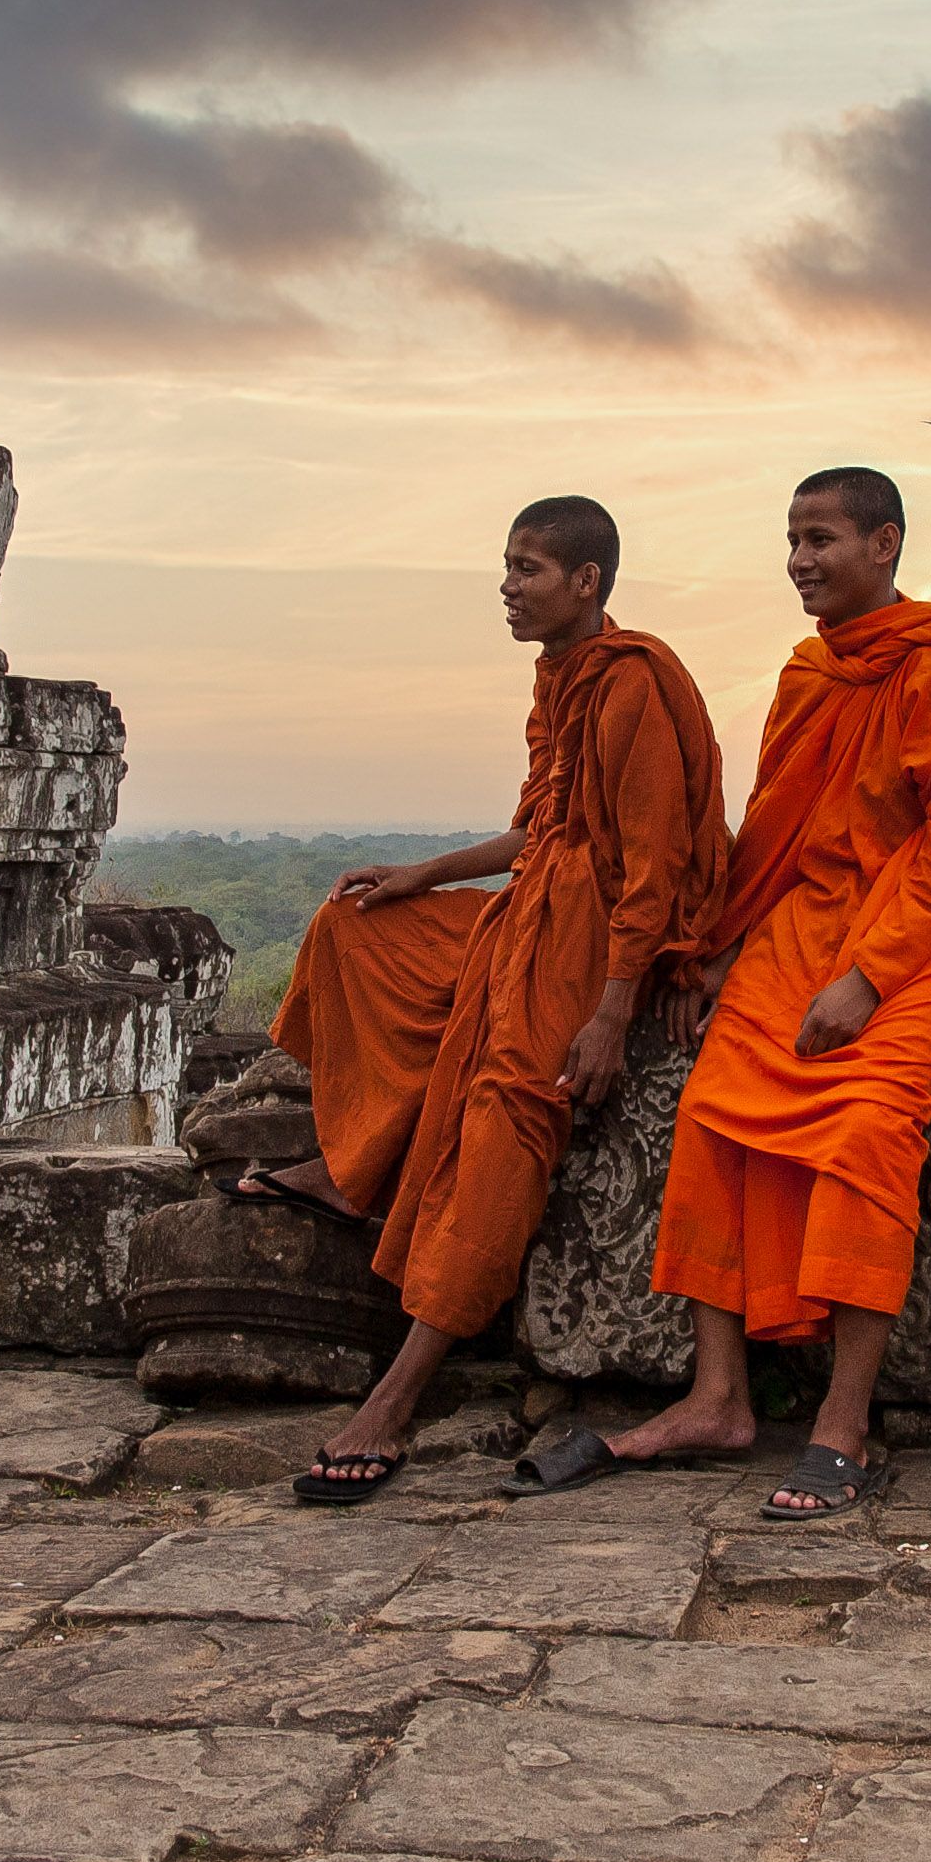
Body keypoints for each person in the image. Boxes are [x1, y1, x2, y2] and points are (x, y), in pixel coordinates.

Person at [517, 468, 931, 1520]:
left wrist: (868, 977)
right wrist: (713, 945)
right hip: (805, 921)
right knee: (708, 1114)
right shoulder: (809, 676)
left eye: (821, 539)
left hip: (924, 933)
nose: (799, 561)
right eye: (791, 539)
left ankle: (841, 1421)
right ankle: (718, 1397)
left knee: (867, 1130)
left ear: (883, 545)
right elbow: (780, 826)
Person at [235, 499, 728, 1503]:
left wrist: (610, 1012)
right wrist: (423, 873)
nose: (507, 586)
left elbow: (650, 865)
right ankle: (352, 1164)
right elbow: (536, 832)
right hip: (532, 911)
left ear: (584, 582)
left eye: (527, 568)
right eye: (506, 567)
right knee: (354, 926)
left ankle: (397, 1394)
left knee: (507, 1105)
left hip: (592, 944)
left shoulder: (629, 680)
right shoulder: (559, 679)